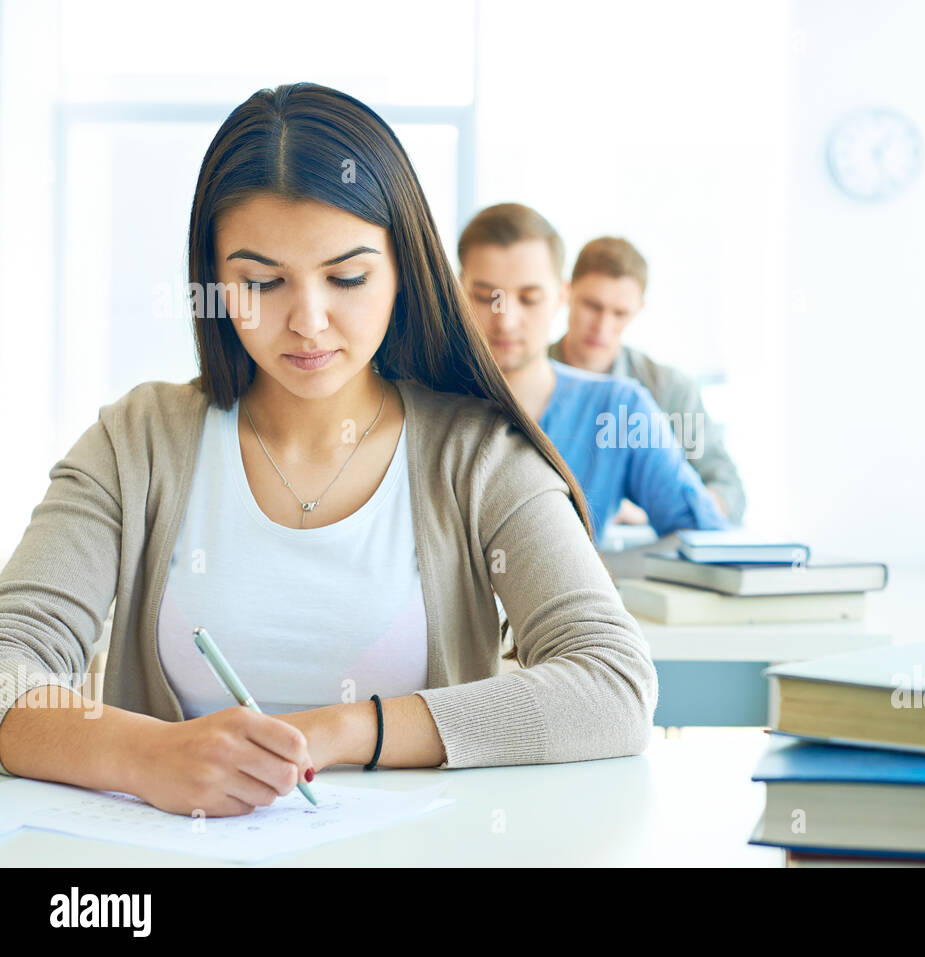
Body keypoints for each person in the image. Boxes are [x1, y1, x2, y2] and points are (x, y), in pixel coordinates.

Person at [0, 83, 656, 818]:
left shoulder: (478, 455)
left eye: (347, 277)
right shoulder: (138, 441)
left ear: (405, 270)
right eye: (261, 281)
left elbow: (614, 684)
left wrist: (341, 728)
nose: (308, 321)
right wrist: (148, 754)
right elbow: (5, 664)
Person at [456, 203, 729, 549]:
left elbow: (705, 538)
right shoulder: (417, 403)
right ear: (457, 291)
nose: (506, 319)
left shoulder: (622, 408)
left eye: (529, 298)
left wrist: (606, 579)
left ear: (560, 296)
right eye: (486, 297)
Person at [549, 237, 747, 524]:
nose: (603, 326)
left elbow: (729, 492)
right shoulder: (528, 377)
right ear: (566, 293)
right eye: (592, 306)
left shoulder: (669, 389)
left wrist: (650, 512)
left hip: (641, 555)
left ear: (639, 309)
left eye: (620, 313)